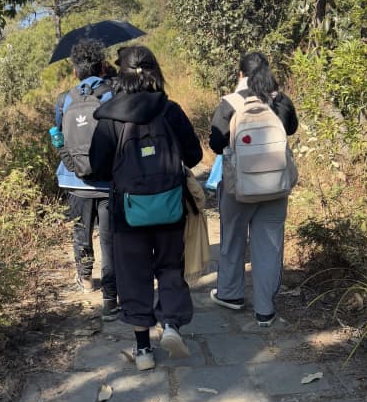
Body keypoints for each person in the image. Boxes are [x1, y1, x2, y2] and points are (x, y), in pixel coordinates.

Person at [89, 45, 203, 370]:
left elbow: (97, 168)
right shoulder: (171, 110)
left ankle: (142, 351)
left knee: (132, 275)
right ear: (154, 71)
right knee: (169, 267)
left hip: (126, 212)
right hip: (170, 206)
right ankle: (170, 326)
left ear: (120, 75)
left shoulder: (109, 116)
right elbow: (194, 156)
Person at [208, 51, 298, 326]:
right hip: (275, 186)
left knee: (232, 239)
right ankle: (265, 310)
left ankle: (230, 294)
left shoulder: (229, 104)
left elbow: (215, 144)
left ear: (240, 74)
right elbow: (291, 128)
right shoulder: (280, 100)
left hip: (238, 187)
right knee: (269, 245)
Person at [54, 38, 119, 319]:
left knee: (81, 232)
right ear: (102, 66)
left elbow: (59, 133)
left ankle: (85, 279)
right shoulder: (111, 94)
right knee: (109, 238)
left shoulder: (65, 99)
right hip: (108, 181)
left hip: (73, 178)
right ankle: (110, 298)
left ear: (75, 71)